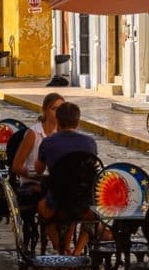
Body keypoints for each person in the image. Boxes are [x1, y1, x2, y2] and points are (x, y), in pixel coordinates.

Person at [35, 102, 101, 254]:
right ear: (78, 122)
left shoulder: (48, 142)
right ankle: (77, 252)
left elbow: (39, 170)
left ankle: (61, 248)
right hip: (84, 203)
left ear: (57, 121)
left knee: (41, 208)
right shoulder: (90, 143)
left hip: (57, 203)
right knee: (91, 217)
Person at [10, 93, 65, 208]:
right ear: (45, 110)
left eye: (61, 109)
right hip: (33, 182)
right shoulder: (33, 134)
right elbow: (16, 166)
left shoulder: (63, 133)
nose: (58, 113)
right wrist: (38, 177)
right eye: (54, 109)